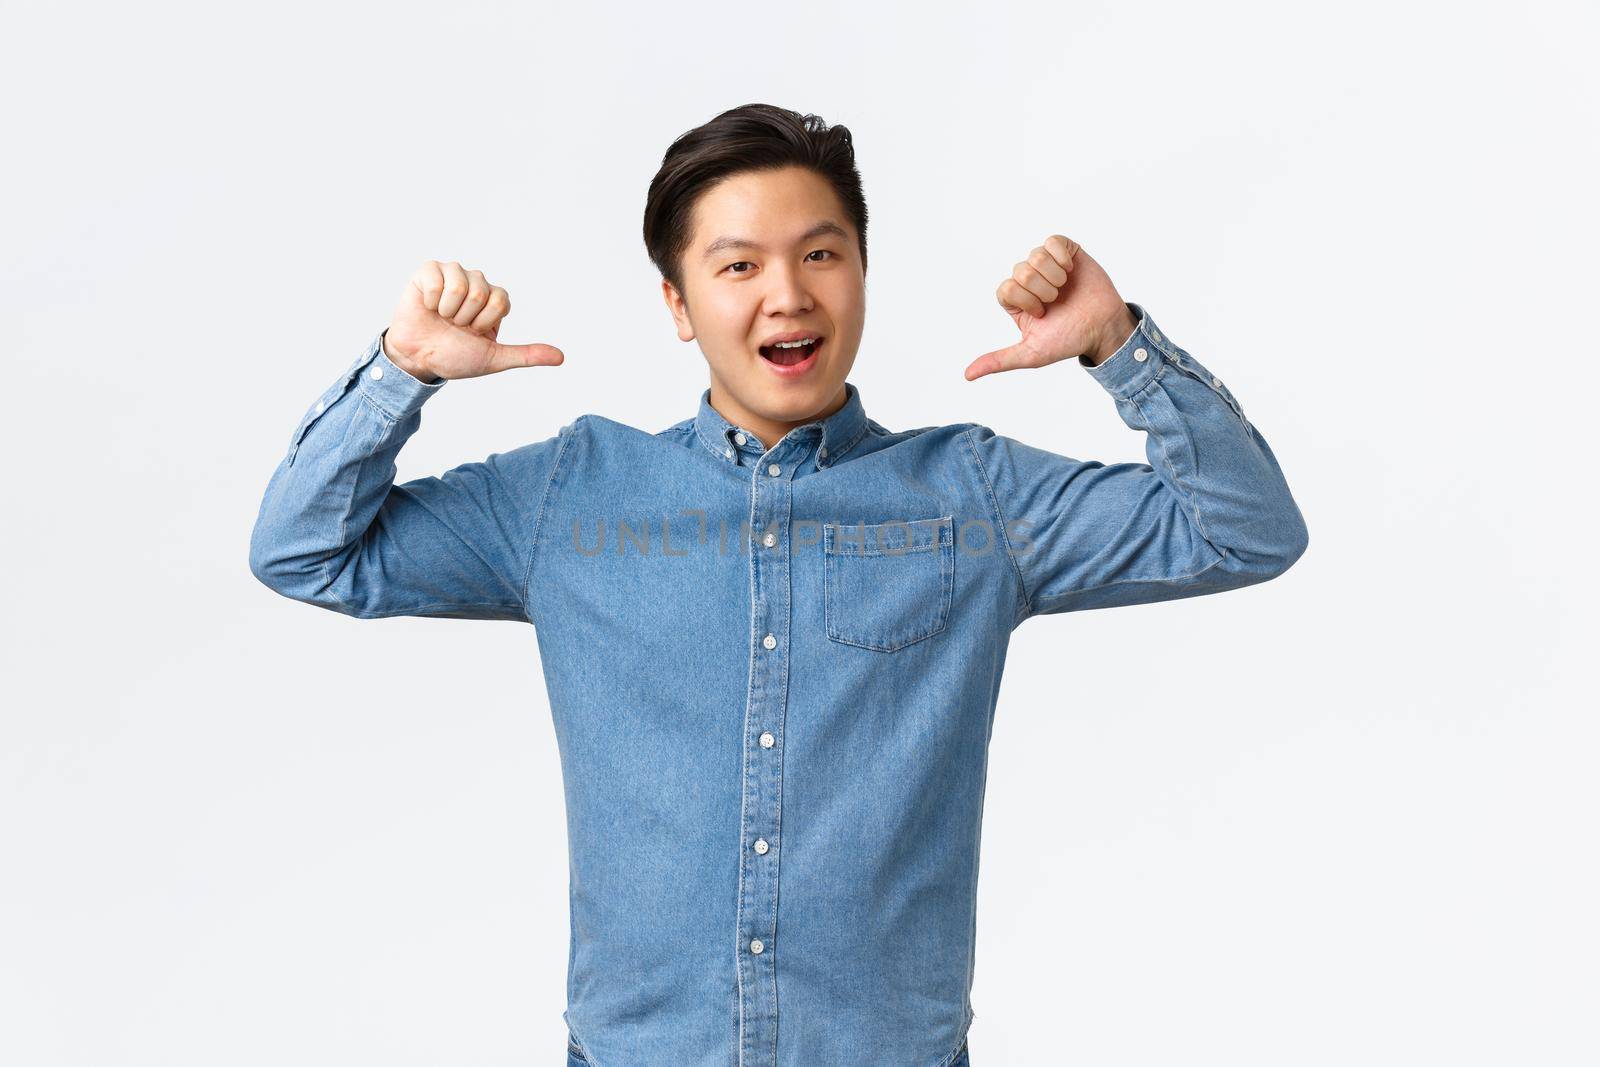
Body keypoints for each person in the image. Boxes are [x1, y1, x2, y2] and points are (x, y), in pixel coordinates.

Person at [249, 102, 1308, 1067]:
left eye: (820, 254)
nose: (788, 294)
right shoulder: (573, 495)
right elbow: (305, 550)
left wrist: (1118, 347)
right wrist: (400, 373)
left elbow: (1247, 532)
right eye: (738, 265)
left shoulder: (971, 496)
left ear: (860, 271)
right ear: (677, 302)